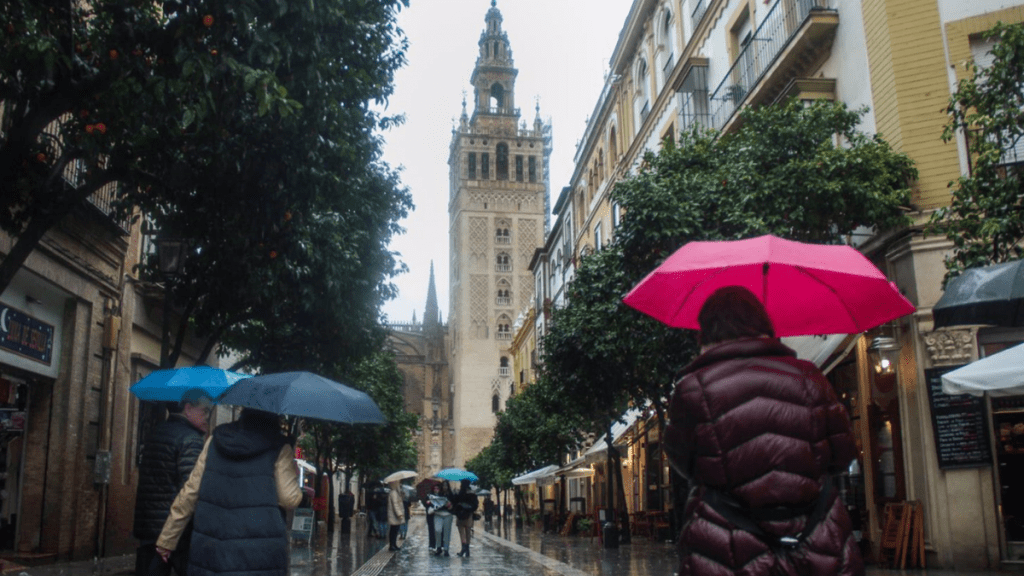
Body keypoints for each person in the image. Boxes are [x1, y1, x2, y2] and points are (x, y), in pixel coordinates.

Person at [663, 286, 863, 576]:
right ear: (762, 326)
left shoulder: (692, 388)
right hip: (815, 540)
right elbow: (842, 457)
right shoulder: (810, 377)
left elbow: (685, 464)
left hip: (725, 545)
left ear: (706, 334)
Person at [154, 408, 310, 576]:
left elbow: (189, 494)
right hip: (259, 555)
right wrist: (292, 473)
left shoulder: (215, 441)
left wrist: (167, 540)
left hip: (212, 549)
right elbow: (290, 499)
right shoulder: (280, 447)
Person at [133, 390, 212, 576]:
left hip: (148, 528)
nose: (207, 417)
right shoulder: (190, 440)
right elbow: (192, 489)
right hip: (175, 532)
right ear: (188, 409)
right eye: (205, 411)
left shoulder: (156, 433)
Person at [452, 479, 479, 558]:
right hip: (469, 515)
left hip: (460, 514)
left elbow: (455, 502)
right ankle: (467, 550)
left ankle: (463, 547)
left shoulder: (460, 493)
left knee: (462, 533)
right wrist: (470, 509)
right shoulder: (472, 494)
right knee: (468, 532)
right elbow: (475, 505)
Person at [430, 483, 454, 557]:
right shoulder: (438, 495)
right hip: (438, 514)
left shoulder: (451, 495)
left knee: (447, 532)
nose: (444, 487)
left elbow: (453, 506)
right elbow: (433, 503)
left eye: (446, 485)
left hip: (448, 515)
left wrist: (449, 505)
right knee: (438, 530)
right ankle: (439, 547)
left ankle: (446, 549)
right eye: (443, 485)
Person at [386, 481, 404, 551]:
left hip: (395, 515)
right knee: (393, 530)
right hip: (394, 515)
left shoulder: (396, 493)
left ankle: (394, 544)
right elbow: (395, 504)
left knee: (396, 530)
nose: (400, 485)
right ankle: (392, 545)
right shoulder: (393, 493)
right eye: (399, 483)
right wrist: (399, 513)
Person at [423, 483, 441, 551]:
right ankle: (431, 544)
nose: (436, 490)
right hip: (430, 515)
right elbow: (426, 504)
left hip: (438, 515)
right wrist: (429, 502)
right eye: (435, 488)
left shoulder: (440, 496)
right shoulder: (429, 496)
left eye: (437, 488)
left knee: (438, 530)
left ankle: (438, 544)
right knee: (431, 530)